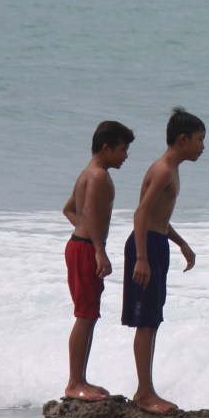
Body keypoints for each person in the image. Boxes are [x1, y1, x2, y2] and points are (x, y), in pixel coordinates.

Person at [121, 106, 204, 414]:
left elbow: (158, 217)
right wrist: (142, 257)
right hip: (146, 246)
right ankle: (144, 393)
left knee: (152, 320)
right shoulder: (163, 170)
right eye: (199, 139)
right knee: (146, 322)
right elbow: (141, 214)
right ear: (183, 139)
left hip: (156, 242)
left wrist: (181, 243)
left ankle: (146, 389)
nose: (202, 147)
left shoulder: (172, 169)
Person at [62, 120, 135, 402]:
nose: (126, 156)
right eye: (122, 149)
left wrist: (84, 235)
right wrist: (98, 249)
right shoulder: (99, 176)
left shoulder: (87, 173)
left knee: (88, 313)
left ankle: (80, 379)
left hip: (79, 245)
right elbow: (90, 211)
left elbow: (69, 209)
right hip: (84, 249)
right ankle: (74, 383)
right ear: (106, 148)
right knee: (85, 315)